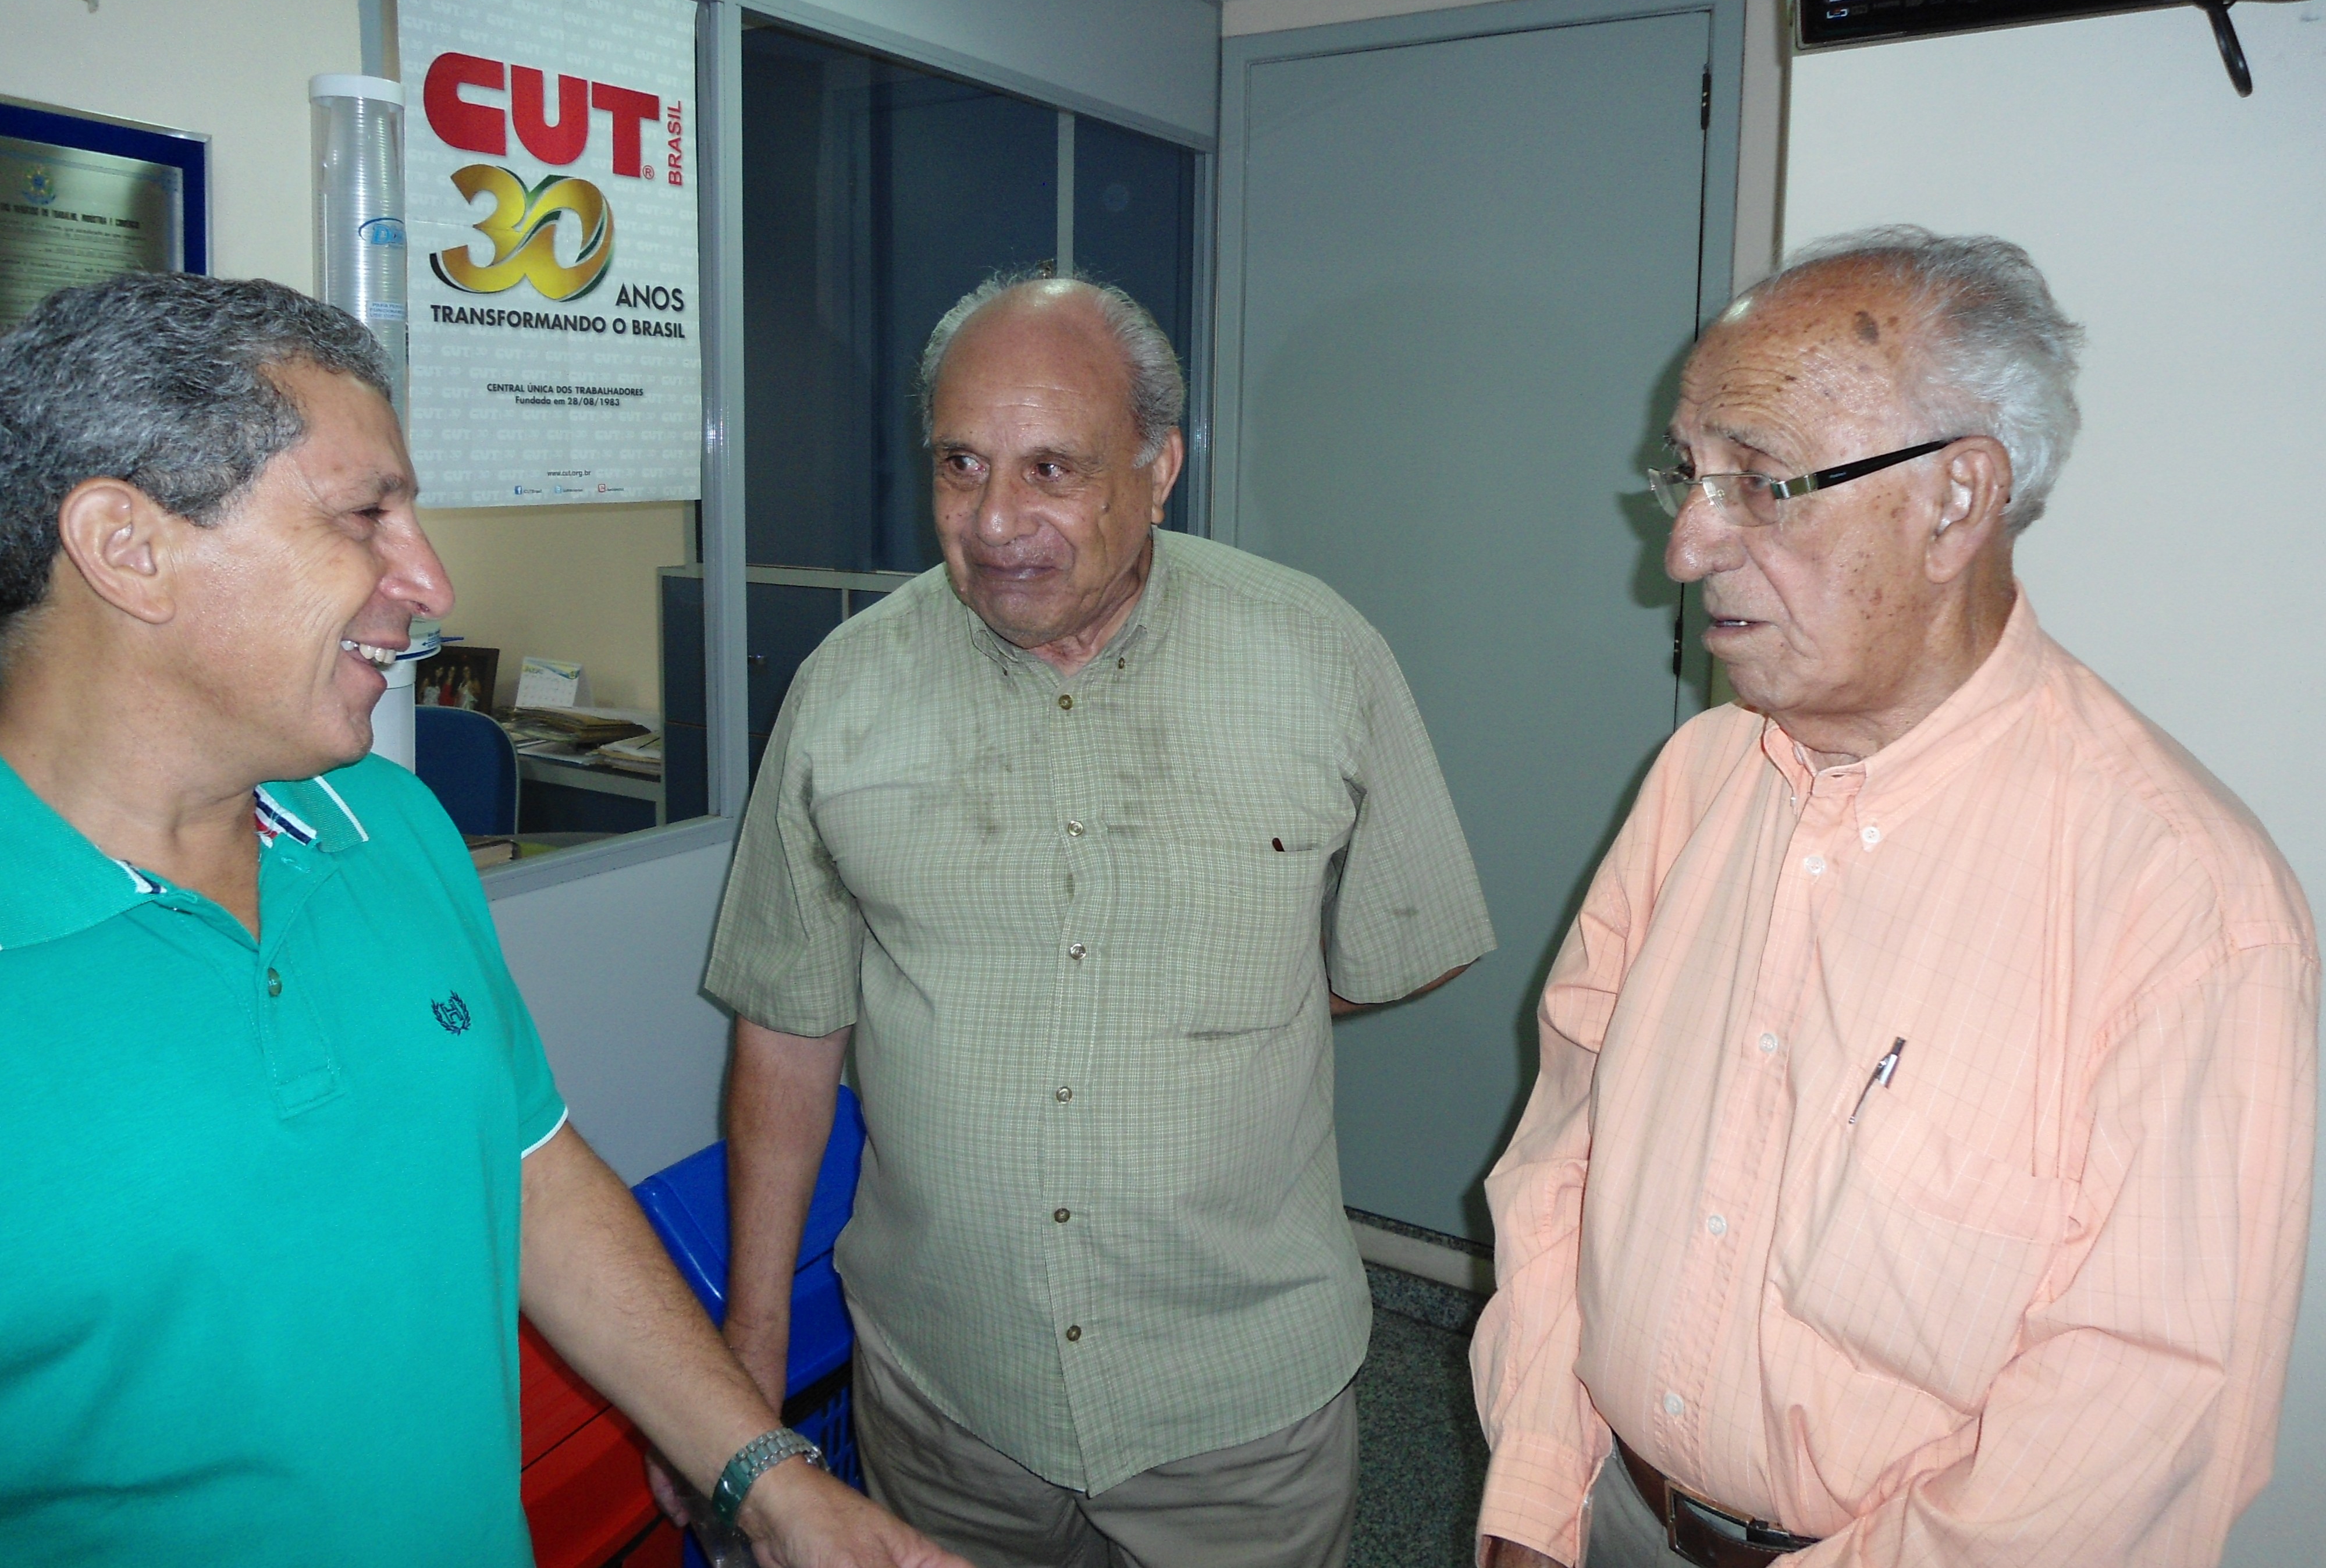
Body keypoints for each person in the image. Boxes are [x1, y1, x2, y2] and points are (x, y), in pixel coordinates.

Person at [0, 273, 963, 1568]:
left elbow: (530, 1168)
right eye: (366, 512)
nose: (428, 576)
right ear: (129, 546)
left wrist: (762, 1473)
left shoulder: (385, 827)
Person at [1470, 227, 2317, 1568]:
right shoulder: (1697, 778)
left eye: (1759, 483)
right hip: (1612, 1509)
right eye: (1685, 477)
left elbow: (2131, 1429)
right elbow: (1561, 1160)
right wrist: (1535, 1489)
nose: (1687, 546)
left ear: (1955, 499)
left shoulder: (2184, 900)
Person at [705, 273, 1497, 1567]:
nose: (998, 519)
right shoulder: (846, 688)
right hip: (944, 1390)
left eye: (1052, 468)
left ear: (1160, 464)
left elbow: (1406, 937)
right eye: (961, 465)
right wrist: (747, 1338)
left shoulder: (1317, 655)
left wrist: (1233, 991)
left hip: (1238, 1399)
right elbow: (788, 1030)